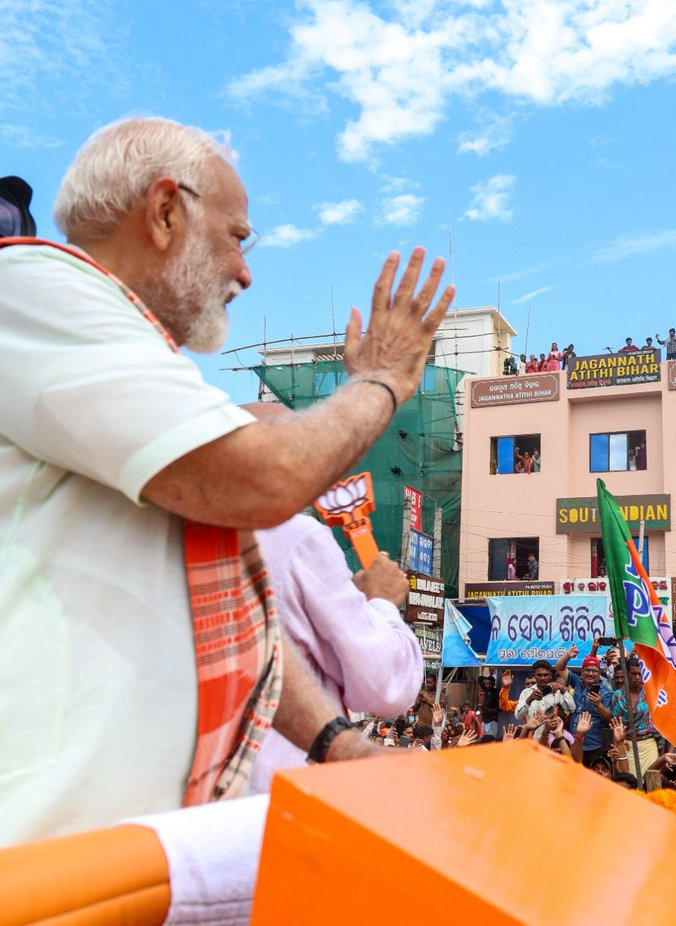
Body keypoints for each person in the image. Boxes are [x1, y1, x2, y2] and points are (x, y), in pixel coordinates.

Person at [0, 116, 454, 845]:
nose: (245, 272)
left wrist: (338, 744)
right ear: (165, 211)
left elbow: (238, 627)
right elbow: (265, 479)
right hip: (42, 864)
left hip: (130, 862)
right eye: (238, 237)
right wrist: (383, 380)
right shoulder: (30, 289)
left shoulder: (132, 376)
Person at [248, 509, 424, 794]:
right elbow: (385, 685)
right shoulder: (295, 537)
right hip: (281, 794)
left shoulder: (171, 529)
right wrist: (381, 601)